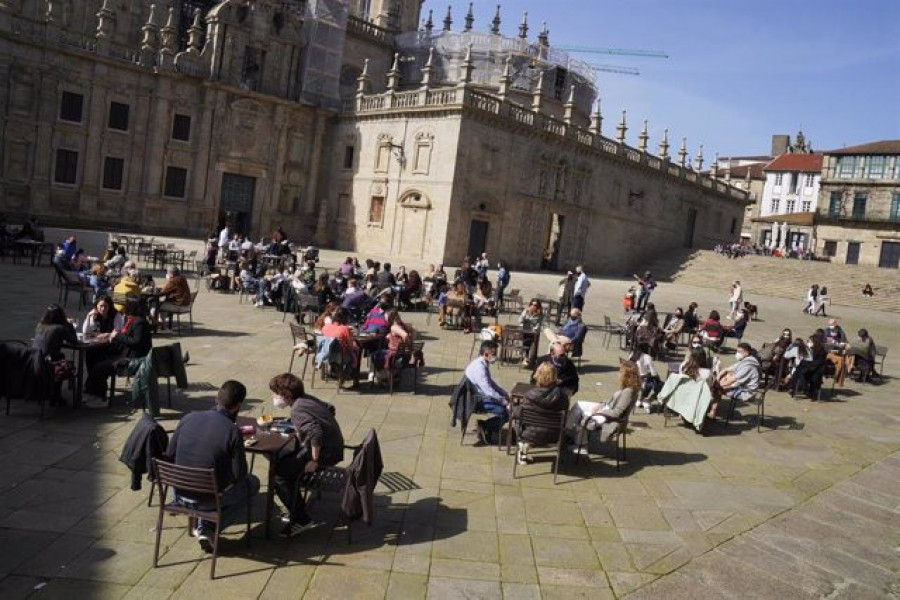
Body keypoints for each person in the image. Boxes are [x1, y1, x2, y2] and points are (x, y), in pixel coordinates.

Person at [166, 381, 260, 551]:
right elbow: (240, 475)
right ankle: (209, 526)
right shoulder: (232, 431)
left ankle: (204, 523)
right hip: (208, 497)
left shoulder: (188, 417)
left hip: (179, 492)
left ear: (217, 398)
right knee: (252, 483)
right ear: (238, 406)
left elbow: (170, 455)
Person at [268, 373, 344, 537]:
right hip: (333, 446)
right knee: (283, 461)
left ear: (285, 395)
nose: (273, 397)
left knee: (279, 476)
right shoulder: (305, 398)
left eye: (274, 393)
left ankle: (301, 518)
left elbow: (315, 433)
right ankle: (295, 507)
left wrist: (314, 461)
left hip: (326, 453)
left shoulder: (297, 409)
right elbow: (330, 408)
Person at [84, 300, 153, 401]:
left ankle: (98, 395)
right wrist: (111, 335)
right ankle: (92, 389)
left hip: (134, 358)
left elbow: (135, 341)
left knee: (100, 367)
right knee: (94, 355)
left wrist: (117, 335)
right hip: (128, 354)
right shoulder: (135, 320)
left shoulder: (139, 322)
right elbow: (127, 336)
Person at [566, 361, 639, 453]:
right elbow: (611, 401)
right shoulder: (626, 388)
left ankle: (581, 445)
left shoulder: (628, 392)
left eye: (621, 372)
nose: (618, 374)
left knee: (584, 415)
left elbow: (617, 413)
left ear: (627, 375)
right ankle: (568, 431)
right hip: (606, 409)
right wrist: (601, 404)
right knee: (578, 405)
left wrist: (599, 412)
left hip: (611, 418)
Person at [516, 362, 570, 465]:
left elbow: (520, 414)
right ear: (554, 376)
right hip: (554, 435)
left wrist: (513, 409)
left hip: (530, 434)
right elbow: (565, 416)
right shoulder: (563, 397)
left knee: (517, 419)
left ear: (537, 375)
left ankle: (524, 446)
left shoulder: (529, 395)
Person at [464, 340, 510, 445]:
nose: (496, 356)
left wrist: (502, 392)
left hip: (478, 396)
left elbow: (490, 383)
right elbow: (488, 390)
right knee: (506, 412)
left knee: (505, 406)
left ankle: (489, 428)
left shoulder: (482, 363)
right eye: (493, 354)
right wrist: (504, 402)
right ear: (485, 354)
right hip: (476, 400)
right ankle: (486, 426)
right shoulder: (479, 368)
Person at [657, 354, 713, 434]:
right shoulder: (707, 373)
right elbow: (708, 388)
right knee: (707, 397)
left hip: (680, 397)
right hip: (696, 400)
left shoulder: (684, 367)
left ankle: (684, 416)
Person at [709, 342, 760, 420]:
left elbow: (731, 380)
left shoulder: (748, 365)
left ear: (746, 353)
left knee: (717, 389)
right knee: (723, 379)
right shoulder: (745, 361)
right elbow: (726, 369)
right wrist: (718, 378)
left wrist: (718, 384)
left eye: (739, 352)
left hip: (747, 392)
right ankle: (711, 408)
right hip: (741, 386)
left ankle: (712, 411)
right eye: (737, 351)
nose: (737, 354)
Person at [629, 342, 661, 410]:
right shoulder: (647, 357)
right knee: (661, 385)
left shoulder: (631, 355)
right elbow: (653, 373)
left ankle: (640, 400)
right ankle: (648, 400)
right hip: (643, 381)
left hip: (632, 380)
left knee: (650, 380)